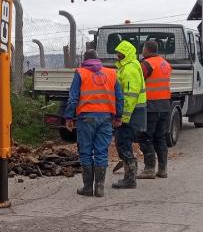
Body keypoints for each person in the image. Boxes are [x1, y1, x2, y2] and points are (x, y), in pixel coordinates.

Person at [64, 50, 123, 197]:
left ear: (84, 60)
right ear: (98, 59)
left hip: (86, 118)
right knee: (101, 152)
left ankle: (88, 188)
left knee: (86, 152)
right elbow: (119, 97)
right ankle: (100, 188)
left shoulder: (81, 73)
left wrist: (69, 117)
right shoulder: (111, 73)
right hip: (106, 118)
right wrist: (118, 116)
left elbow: (73, 97)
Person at [112, 39, 147, 189]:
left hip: (130, 114)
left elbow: (129, 96)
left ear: (125, 54)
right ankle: (129, 177)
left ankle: (130, 179)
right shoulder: (128, 67)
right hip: (133, 113)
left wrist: (122, 117)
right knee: (123, 143)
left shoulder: (129, 69)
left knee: (123, 143)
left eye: (119, 53)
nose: (117, 55)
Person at [138, 40, 172, 179]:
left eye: (143, 49)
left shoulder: (147, 64)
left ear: (146, 49)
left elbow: (138, 81)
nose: (142, 51)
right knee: (160, 137)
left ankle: (149, 169)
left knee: (146, 137)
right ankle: (162, 169)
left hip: (151, 105)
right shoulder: (165, 63)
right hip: (165, 105)